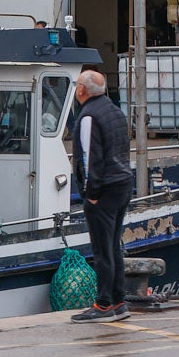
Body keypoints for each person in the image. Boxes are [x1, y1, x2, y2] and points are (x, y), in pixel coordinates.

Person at [70, 69, 134, 323]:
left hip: (103, 189)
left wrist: (91, 194)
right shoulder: (114, 110)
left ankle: (104, 304)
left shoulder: (88, 117)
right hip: (122, 184)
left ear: (82, 90)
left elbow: (90, 159)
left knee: (102, 249)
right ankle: (120, 301)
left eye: (77, 84)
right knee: (113, 246)